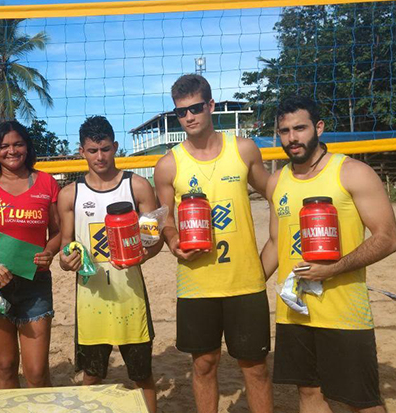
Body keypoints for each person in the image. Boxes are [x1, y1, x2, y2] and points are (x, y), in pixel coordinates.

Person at [261, 96, 396, 412]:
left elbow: (387, 237)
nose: (293, 138)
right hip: (294, 310)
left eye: (300, 128)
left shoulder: (351, 172)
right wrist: (248, 285)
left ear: (318, 127)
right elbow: (273, 243)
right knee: (309, 393)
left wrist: (332, 269)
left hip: (344, 311)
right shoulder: (277, 181)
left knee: (361, 401)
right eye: (284, 131)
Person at [152, 74, 273, 412]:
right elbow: (165, 217)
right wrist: (173, 240)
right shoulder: (168, 164)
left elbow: (277, 194)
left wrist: (277, 249)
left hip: (245, 281)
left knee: (256, 368)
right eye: (180, 112)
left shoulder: (243, 149)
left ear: (210, 106)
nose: (189, 117)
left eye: (195, 108)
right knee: (204, 365)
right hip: (197, 284)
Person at [58, 115, 163, 413]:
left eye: (105, 148)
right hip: (91, 301)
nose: (100, 156)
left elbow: (154, 240)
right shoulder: (70, 194)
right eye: (93, 150)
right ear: (82, 151)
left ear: (115, 147)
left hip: (131, 297)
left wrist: (146, 252)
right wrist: (67, 261)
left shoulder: (138, 186)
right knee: (91, 375)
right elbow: (66, 245)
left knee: (142, 375)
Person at [0, 120, 61, 389]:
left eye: (18, 144)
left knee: (37, 372)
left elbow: (58, 231)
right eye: (3, 146)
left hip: (35, 281)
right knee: (6, 369)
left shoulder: (45, 182)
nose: (11, 150)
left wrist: (50, 250)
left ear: (27, 146)